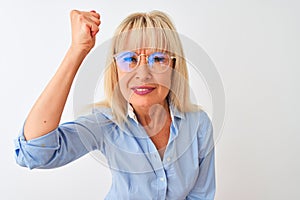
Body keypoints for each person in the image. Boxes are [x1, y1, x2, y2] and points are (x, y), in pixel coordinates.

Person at [14, 9, 216, 199]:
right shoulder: (106, 123)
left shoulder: (198, 125)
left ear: (173, 66)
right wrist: (77, 50)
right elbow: (34, 153)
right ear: (116, 70)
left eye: (157, 59)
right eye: (130, 59)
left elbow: (200, 196)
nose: (143, 74)